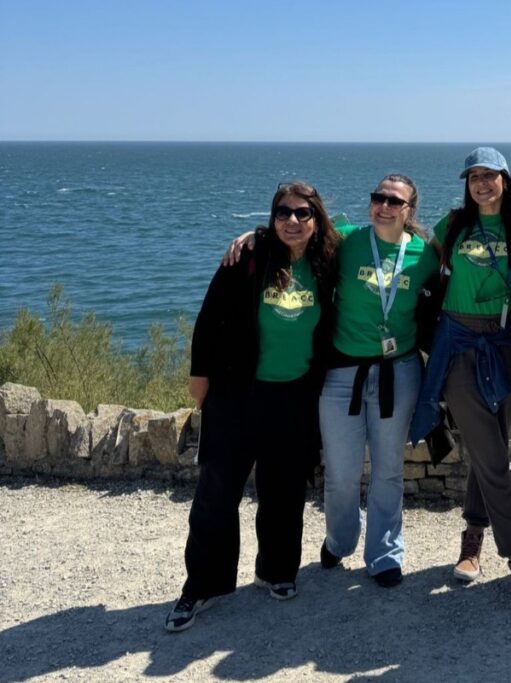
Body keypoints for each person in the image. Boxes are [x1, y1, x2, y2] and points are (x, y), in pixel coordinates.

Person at [166, 181, 338, 632]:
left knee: (285, 491)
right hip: (238, 393)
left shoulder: (327, 263)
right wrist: (200, 378)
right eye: (283, 212)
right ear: (271, 217)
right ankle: (202, 586)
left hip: (296, 395)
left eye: (303, 213)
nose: (293, 221)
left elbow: (372, 232)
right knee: (217, 493)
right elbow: (208, 318)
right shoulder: (249, 258)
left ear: (317, 219)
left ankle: (276, 572)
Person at [409, 147, 511, 600]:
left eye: (490, 175)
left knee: (492, 443)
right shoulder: (453, 226)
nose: (481, 183)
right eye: (473, 176)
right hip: (457, 346)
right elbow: (412, 254)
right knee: (491, 453)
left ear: (505, 180)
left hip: (505, 343)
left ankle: (471, 538)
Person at [318, 174, 439, 588]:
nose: (384, 206)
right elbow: (294, 240)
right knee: (340, 472)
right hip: (342, 373)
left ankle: (385, 553)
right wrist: (251, 236)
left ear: (409, 211)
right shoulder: (346, 240)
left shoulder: (425, 254)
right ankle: (339, 539)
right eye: (378, 197)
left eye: (394, 200)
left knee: (388, 469)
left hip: (398, 372)